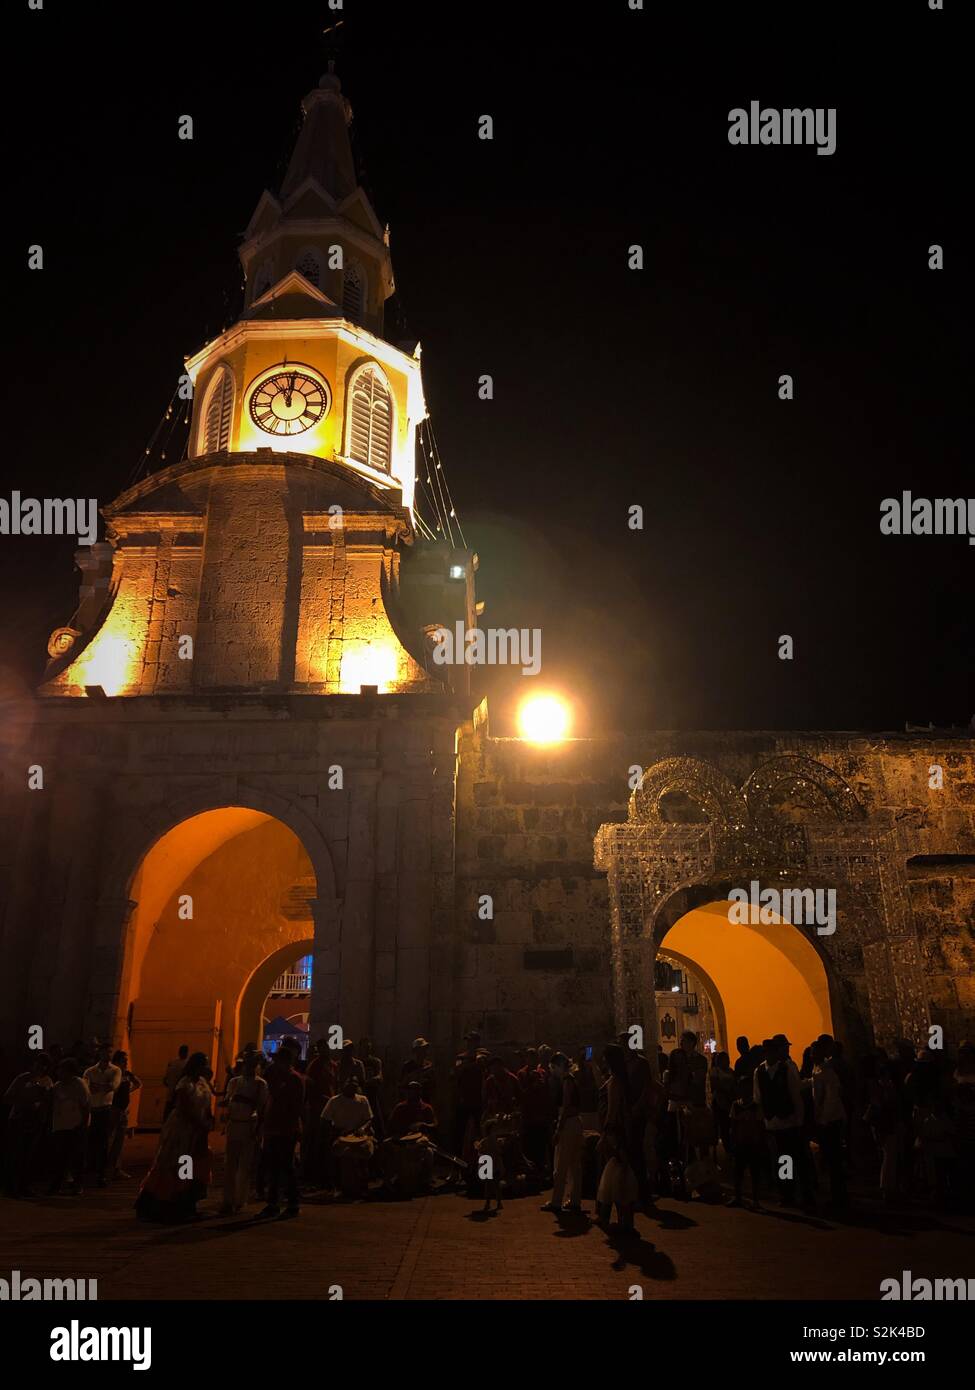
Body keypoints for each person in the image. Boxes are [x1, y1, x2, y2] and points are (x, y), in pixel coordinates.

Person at [136, 1052, 213, 1222]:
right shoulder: (184, 1084)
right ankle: (176, 1202)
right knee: (181, 1163)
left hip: (197, 1129)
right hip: (183, 1129)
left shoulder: (202, 1082)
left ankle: (188, 1202)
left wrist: (206, 1122)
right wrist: (200, 1123)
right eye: (204, 1064)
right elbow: (184, 1108)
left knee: (193, 1164)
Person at [753, 1034, 816, 1212]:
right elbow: (758, 1098)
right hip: (774, 1122)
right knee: (783, 1160)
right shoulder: (759, 1072)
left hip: (789, 1120)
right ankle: (787, 1193)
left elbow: (794, 1094)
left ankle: (804, 1193)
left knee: (797, 1158)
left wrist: (799, 1118)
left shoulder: (786, 1068)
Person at [596, 1043, 639, 1230]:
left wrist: (605, 1133)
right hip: (623, 1131)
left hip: (616, 1132)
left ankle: (621, 1219)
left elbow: (612, 1110)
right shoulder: (621, 1079)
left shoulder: (615, 1082)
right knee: (618, 1174)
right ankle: (621, 1219)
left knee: (617, 1176)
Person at [259, 1045, 305, 1219]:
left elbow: (296, 1106)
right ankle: (273, 1203)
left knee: (286, 1165)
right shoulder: (276, 1076)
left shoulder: (294, 1079)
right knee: (274, 1166)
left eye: (278, 1060)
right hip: (273, 1127)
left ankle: (292, 1203)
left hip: (286, 1128)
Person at [221, 1051, 268, 1214]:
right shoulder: (234, 1082)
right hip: (234, 1124)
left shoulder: (260, 1084)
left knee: (244, 1165)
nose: (248, 1067)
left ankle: (240, 1199)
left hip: (249, 1126)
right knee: (230, 1164)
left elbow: (262, 1108)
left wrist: (258, 1131)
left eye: (251, 1064)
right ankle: (228, 1200)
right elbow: (228, 1100)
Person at [2, 1053, 54, 1198]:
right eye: (39, 1064)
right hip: (19, 1119)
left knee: (29, 1155)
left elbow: (48, 1101)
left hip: (35, 1121)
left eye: (44, 1066)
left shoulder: (47, 1081)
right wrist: (27, 1102)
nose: (40, 1068)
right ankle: (11, 1187)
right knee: (15, 1154)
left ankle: (24, 1186)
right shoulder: (23, 1078)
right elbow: (7, 1097)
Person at [542, 1052, 584, 1213]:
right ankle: (574, 1200)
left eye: (553, 1067)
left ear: (559, 1066)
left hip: (568, 1124)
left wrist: (558, 1129)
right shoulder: (572, 1079)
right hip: (576, 1123)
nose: (552, 1071)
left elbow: (566, 1107)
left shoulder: (567, 1081)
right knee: (574, 1165)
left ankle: (556, 1201)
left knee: (560, 1165)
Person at [809, 1039, 847, 1211]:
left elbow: (829, 1098)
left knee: (833, 1159)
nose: (811, 1055)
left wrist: (823, 1119)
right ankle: (837, 1194)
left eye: (813, 1052)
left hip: (829, 1120)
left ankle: (838, 1196)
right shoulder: (821, 1070)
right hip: (828, 1119)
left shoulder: (825, 1072)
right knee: (832, 1159)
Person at [322, 1075, 374, 1198]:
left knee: (365, 1151)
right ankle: (341, 1186)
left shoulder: (363, 1100)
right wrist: (338, 1131)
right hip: (342, 1136)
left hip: (361, 1136)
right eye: (349, 1084)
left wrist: (362, 1129)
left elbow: (369, 1119)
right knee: (343, 1153)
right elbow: (324, 1120)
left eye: (355, 1085)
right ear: (344, 1085)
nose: (352, 1087)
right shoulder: (334, 1101)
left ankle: (362, 1186)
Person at [48, 1059, 91, 1196]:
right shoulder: (57, 1086)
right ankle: (56, 1185)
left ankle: (78, 1185)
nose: (59, 1073)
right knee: (60, 1157)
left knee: (77, 1157)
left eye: (62, 1070)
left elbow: (86, 1105)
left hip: (75, 1125)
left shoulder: (79, 1084)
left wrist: (83, 1124)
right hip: (60, 1126)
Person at [83, 1044, 122, 1187]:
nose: (108, 1055)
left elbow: (113, 1086)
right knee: (91, 1141)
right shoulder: (90, 1071)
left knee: (104, 1143)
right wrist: (103, 1086)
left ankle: (101, 1174)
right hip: (93, 1109)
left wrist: (97, 1086)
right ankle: (89, 1171)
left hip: (106, 1110)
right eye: (106, 1052)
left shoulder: (115, 1070)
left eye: (110, 1052)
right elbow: (88, 1089)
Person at [107, 1050, 142, 1180]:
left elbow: (138, 1083)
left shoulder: (126, 1074)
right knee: (110, 1139)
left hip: (122, 1110)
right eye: (124, 1061)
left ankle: (116, 1168)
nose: (126, 1063)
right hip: (113, 1109)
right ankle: (106, 1167)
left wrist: (129, 1090)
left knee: (119, 1141)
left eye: (126, 1061)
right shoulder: (113, 1073)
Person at [452, 1032, 485, 1161]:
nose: (469, 1044)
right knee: (458, 1135)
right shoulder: (461, 1057)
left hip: (478, 1100)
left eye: (472, 1041)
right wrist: (470, 1063)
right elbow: (456, 1071)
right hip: (463, 1099)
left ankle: (484, 1170)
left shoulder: (483, 1056)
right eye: (468, 1041)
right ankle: (456, 1168)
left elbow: (485, 1069)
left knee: (481, 1136)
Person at [708, 1051, 736, 1158]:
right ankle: (728, 1147)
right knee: (724, 1125)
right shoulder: (715, 1071)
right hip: (720, 1101)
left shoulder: (730, 1071)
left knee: (731, 1124)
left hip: (730, 1101)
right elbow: (715, 1085)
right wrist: (727, 1089)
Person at [357, 1037, 385, 1142]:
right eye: (365, 1047)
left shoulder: (375, 1061)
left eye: (368, 1047)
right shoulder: (357, 1062)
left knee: (376, 1119)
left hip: (372, 1095)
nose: (367, 1049)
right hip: (360, 1096)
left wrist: (367, 1082)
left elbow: (380, 1077)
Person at [162, 1045, 189, 1120]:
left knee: (168, 1115)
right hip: (181, 1095)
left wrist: (171, 1085)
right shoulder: (187, 1064)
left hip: (171, 1094)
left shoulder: (172, 1063)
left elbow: (165, 1080)